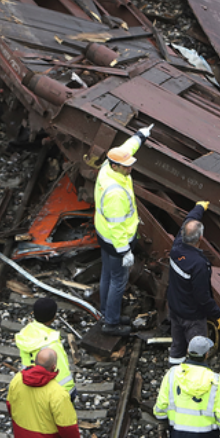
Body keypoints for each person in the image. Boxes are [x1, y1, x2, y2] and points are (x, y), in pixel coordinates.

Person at [95, 123, 154, 336]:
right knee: (118, 281)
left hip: (105, 237)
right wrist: (124, 251)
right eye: (126, 166)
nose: (130, 168)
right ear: (117, 166)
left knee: (107, 275)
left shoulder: (108, 168)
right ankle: (111, 322)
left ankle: (106, 312)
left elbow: (126, 148)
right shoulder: (115, 193)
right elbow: (117, 225)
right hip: (116, 242)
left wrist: (141, 135)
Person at [166, 201, 220, 364]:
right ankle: (194, 381)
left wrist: (199, 208)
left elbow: (188, 221)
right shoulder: (198, 264)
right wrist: (217, 314)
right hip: (192, 316)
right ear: (200, 238)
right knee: (197, 350)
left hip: (175, 309)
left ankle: (174, 373)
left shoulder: (177, 247)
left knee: (177, 345)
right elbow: (202, 297)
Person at [15, 297, 75, 399]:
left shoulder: (26, 334)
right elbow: (62, 375)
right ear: (54, 317)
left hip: (30, 386)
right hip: (51, 394)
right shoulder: (52, 343)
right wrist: (70, 392)